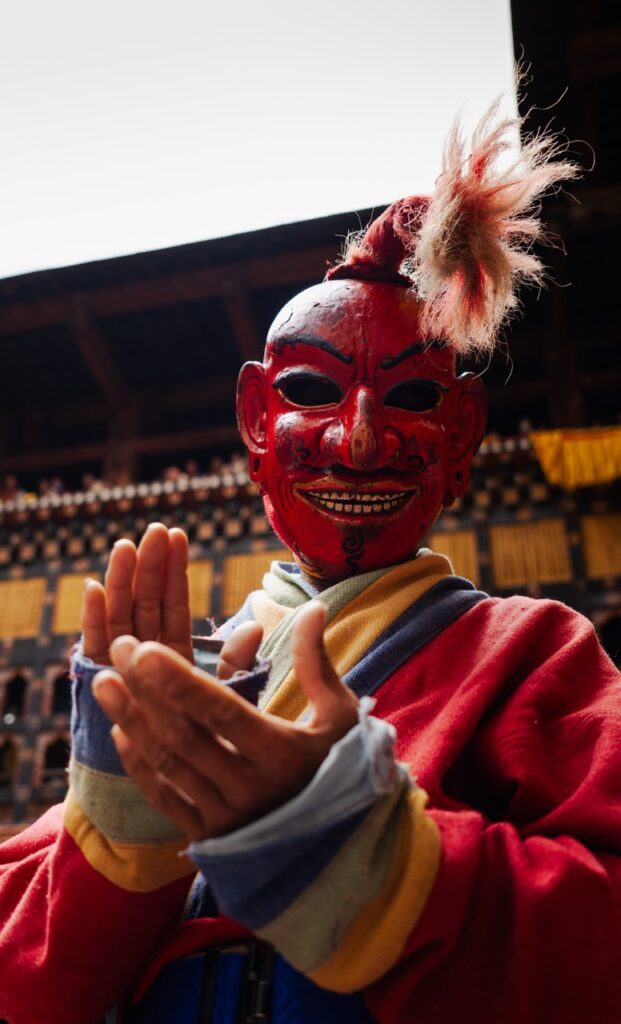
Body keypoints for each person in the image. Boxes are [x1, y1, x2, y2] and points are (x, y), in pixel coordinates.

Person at [1, 104, 620, 1024]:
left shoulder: (530, 651)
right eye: (310, 393)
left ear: (459, 440)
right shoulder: (193, 686)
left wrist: (372, 859)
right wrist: (119, 832)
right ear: (256, 421)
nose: (360, 438)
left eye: (409, 397)